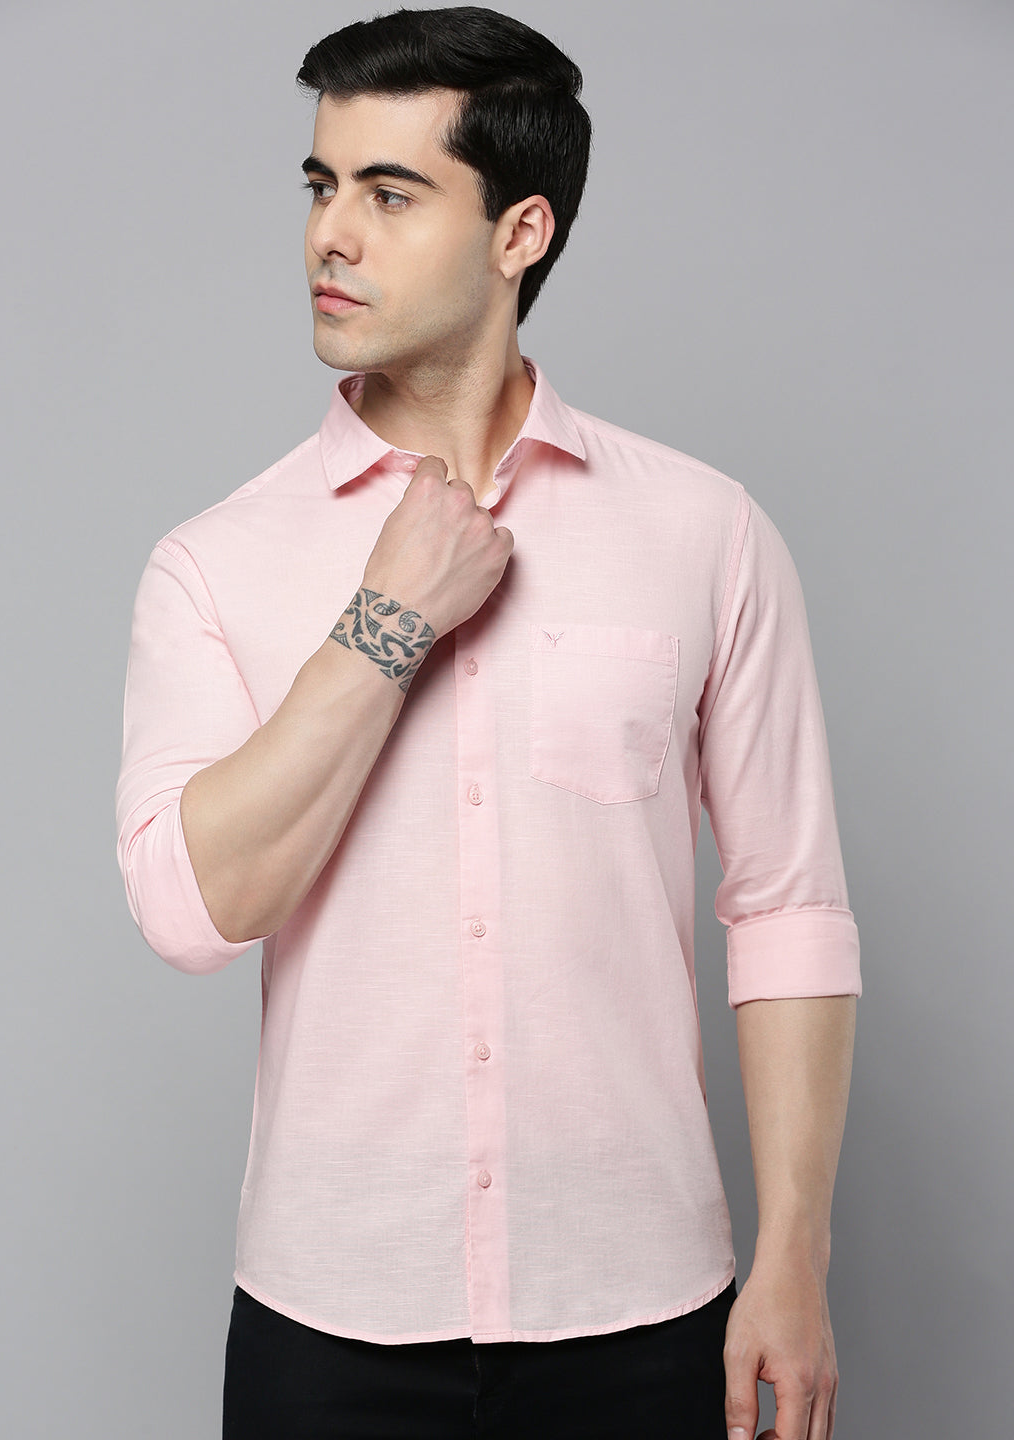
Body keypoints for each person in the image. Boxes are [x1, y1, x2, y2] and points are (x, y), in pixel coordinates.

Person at [115, 7, 860, 1437]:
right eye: (321, 185)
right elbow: (192, 911)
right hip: (327, 1320)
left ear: (522, 231)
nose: (331, 235)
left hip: (644, 1309)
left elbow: (789, 911)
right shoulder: (215, 561)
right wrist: (385, 623)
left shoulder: (703, 532)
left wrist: (795, 1259)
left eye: (391, 195)